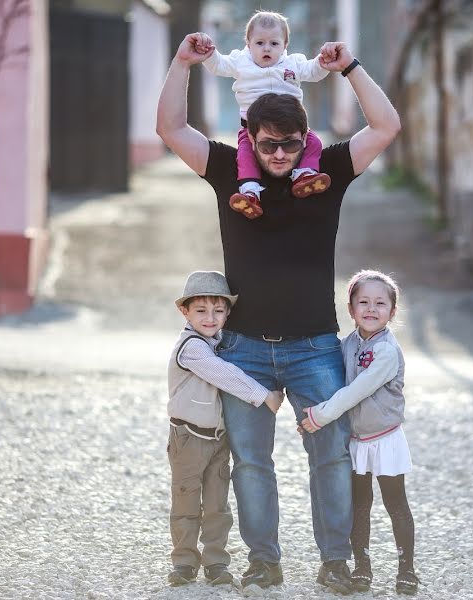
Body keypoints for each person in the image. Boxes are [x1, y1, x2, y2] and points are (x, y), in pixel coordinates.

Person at [157, 31, 400, 593]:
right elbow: (170, 128)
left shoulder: (327, 172)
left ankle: (335, 562)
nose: (280, 156)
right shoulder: (227, 170)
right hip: (242, 350)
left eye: (290, 145)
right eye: (268, 146)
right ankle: (263, 562)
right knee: (251, 465)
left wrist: (351, 68)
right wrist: (182, 62)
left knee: (332, 460)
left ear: (304, 139)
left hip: (314, 344)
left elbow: (386, 127)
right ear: (250, 138)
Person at [301, 270, 419, 596]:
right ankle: (362, 567)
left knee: (395, 503)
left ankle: (407, 569)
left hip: (385, 438)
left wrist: (320, 416)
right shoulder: (347, 345)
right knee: (359, 505)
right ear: (351, 309)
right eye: (363, 302)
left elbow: (356, 391)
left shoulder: (387, 352)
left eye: (380, 303)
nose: (371, 309)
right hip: (356, 441)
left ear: (392, 312)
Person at [166, 270, 284, 587]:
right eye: (201, 311)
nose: (210, 318)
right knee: (187, 501)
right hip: (188, 438)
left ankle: (216, 562)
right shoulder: (191, 347)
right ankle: (184, 561)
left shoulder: (219, 341)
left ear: (228, 313)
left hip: (218, 439)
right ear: (185, 311)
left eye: (219, 311)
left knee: (217, 505)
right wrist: (264, 396)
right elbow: (222, 374)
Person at [191, 11, 331, 219]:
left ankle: (304, 175)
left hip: (291, 125)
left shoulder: (293, 63)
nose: (267, 48)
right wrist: (208, 53)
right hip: (252, 129)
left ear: (285, 45)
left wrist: (323, 61)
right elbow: (218, 65)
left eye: (274, 43)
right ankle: (249, 193)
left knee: (314, 143)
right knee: (245, 156)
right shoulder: (240, 61)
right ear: (248, 43)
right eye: (260, 43)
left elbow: (314, 72)